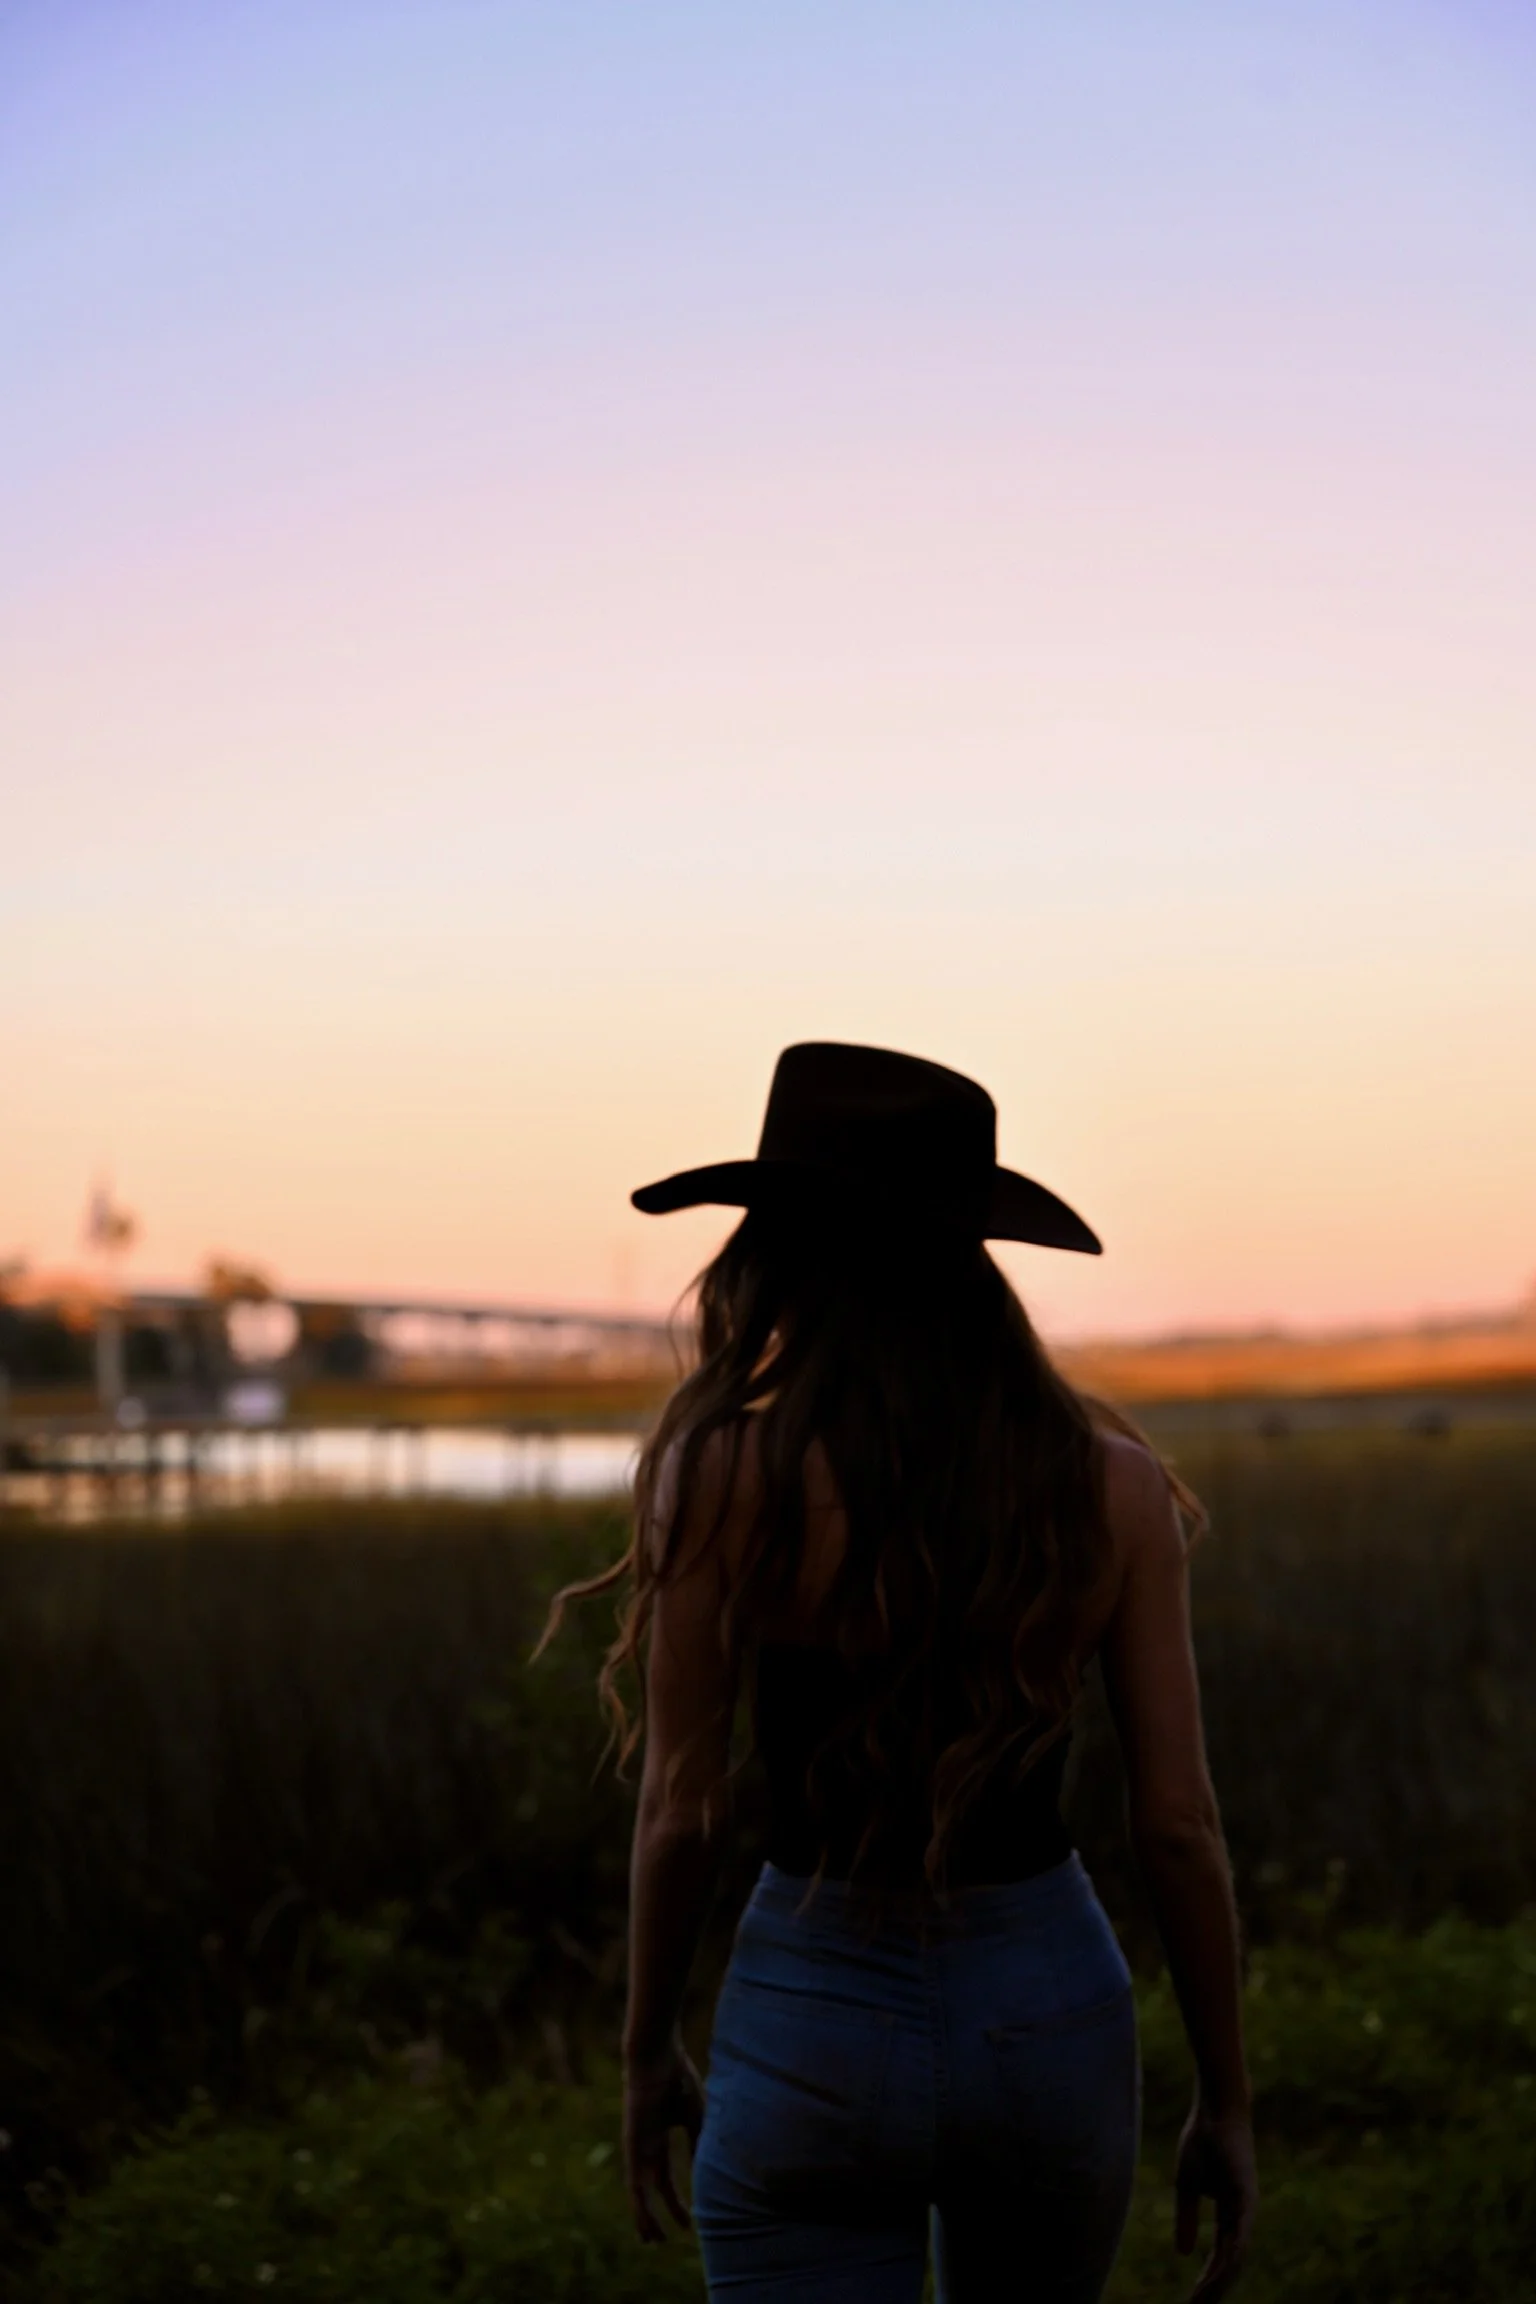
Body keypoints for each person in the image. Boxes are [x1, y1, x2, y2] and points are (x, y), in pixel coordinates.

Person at [544, 1043, 1256, 2303]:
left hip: (811, 2009)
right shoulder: (1112, 1489)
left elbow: (682, 1812)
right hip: (1048, 2013)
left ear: (779, 1255)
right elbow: (1181, 1825)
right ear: (973, 1259)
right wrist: (1227, 2098)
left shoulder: (714, 1480)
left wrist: (647, 2048)